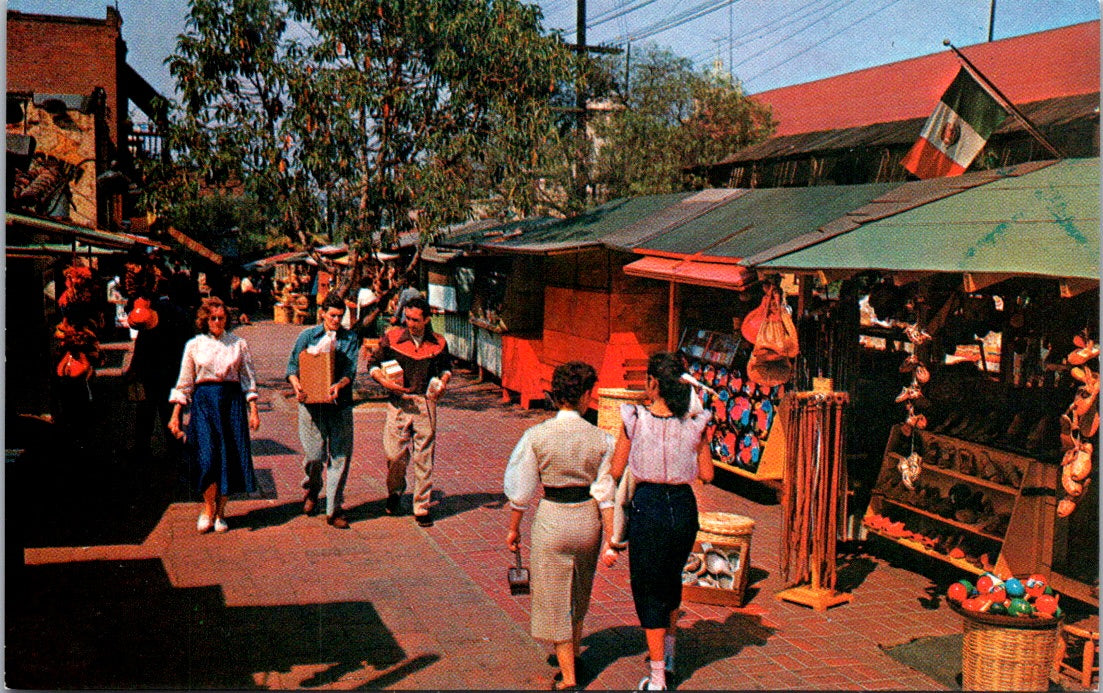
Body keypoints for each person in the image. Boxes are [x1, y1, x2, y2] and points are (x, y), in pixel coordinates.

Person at [603, 352, 714, 691]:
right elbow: (707, 474)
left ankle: (656, 677)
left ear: (653, 383)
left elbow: (616, 469)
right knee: (670, 580)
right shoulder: (696, 422)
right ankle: (669, 655)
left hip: (648, 505)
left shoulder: (635, 418)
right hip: (683, 506)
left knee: (648, 589)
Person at [504, 362, 616, 691]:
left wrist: (514, 529)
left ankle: (568, 679)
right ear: (584, 395)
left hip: (552, 519)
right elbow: (605, 493)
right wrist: (611, 538)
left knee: (554, 601)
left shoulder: (536, 436)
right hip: (587, 521)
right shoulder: (602, 439)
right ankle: (575, 657)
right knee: (579, 593)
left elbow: (521, 491)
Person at [168, 297, 260, 534]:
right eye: (213, 318)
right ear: (205, 320)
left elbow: (248, 379)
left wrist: (254, 411)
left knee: (229, 456)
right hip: (204, 404)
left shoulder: (238, 344)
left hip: (231, 404)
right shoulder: (194, 345)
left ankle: (221, 512)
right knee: (207, 457)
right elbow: (185, 382)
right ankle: (208, 508)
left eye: (221, 318)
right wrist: (176, 415)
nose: (217, 322)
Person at [368, 296, 452, 527]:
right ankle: (395, 490)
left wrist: (443, 382)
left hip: (425, 403)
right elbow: (373, 364)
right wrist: (384, 382)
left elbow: (446, 368)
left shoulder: (438, 343)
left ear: (426, 319)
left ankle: (421, 507)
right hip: (398, 404)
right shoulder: (393, 337)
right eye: (407, 317)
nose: (410, 323)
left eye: (415, 319)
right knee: (394, 454)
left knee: (424, 458)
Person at [286, 292, 363, 529]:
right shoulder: (307, 336)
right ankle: (313, 488)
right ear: (322, 313)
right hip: (312, 407)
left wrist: (339, 385)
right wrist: (297, 387)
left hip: (339, 406)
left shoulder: (350, 338)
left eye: (340, 316)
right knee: (314, 455)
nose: (336, 320)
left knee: (340, 456)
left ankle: (334, 509)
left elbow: (350, 371)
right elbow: (292, 367)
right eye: (332, 315)